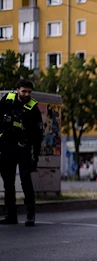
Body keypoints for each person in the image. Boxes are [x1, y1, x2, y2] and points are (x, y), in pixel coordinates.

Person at [0, 79, 43, 226]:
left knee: (26, 182)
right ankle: (11, 215)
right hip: (7, 147)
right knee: (8, 183)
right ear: (17, 90)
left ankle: (30, 215)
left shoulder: (33, 108)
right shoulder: (7, 100)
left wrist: (35, 156)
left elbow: (38, 136)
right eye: (24, 91)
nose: (27, 94)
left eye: (29, 92)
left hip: (24, 148)